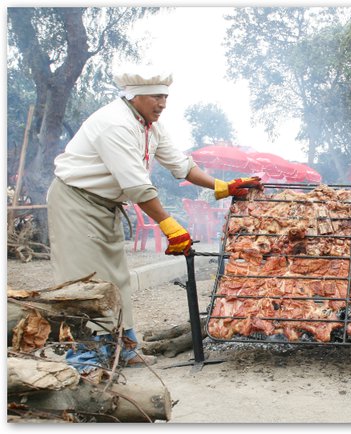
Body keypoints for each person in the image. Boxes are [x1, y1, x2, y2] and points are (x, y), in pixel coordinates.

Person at [47, 66, 262, 374]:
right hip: (76, 202)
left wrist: (221, 186)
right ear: (134, 96)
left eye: (165, 97)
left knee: (116, 279)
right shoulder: (114, 125)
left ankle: (124, 349)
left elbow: (181, 165)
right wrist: (169, 225)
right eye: (156, 97)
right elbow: (136, 186)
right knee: (82, 281)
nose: (162, 104)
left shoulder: (149, 126)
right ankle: (84, 360)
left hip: (106, 205)